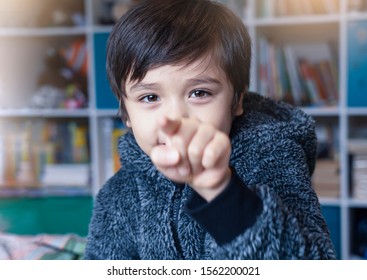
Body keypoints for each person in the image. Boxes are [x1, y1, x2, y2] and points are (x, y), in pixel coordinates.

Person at [84, 0, 336, 260]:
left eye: (199, 93)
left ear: (236, 100)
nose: (175, 117)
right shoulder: (118, 194)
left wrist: (221, 191)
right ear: (126, 112)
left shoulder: (272, 157)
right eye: (149, 98)